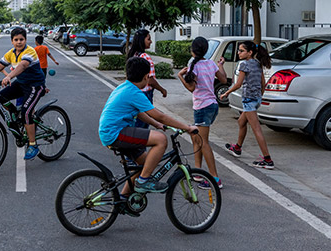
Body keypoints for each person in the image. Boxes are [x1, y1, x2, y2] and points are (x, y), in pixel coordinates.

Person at [100, 56, 200, 195]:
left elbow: (140, 113)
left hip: (112, 132)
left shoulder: (125, 87)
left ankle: (123, 199)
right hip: (116, 133)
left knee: (145, 164)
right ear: (147, 76)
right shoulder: (134, 92)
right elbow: (160, 115)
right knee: (161, 140)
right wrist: (187, 127)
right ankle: (143, 181)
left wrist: (157, 124)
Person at [0, 27, 47, 160]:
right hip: (21, 83)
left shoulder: (29, 52)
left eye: (21, 39)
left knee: (26, 112)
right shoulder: (11, 53)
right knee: (1, 97)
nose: (19, 42)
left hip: (34, 86)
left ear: (25, 40)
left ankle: (33, 145)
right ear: (12, 41)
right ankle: (17, 115)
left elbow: (23, 66)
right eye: (16, 40)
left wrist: (9, 77)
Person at [177, 37, 224, 188]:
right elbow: (223, 79)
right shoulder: (210, 63)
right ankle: (197, 172)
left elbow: (191, 88)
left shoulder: (193, 63)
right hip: (211, 105)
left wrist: (180, 77)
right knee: (196, 137)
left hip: (203, 107)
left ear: (192, 50)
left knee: (202, 142)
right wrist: (220, 65)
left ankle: (215, 179)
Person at [219, 40, 274, 169]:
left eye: (241, 51)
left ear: (250, 53)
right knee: (241, 122)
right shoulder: (257, 63)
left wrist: (226, 93)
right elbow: (263, 83)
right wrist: (259, 96)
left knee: (256, 129)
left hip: (249, 101)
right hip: (256, 100)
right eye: (239, 50)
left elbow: (238, 84)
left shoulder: (244, 65)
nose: (238, 53)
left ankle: (267, 160)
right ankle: (237, 148)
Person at [125, 29, 167, 128]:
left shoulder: (133, 55)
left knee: (136, 123)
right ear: (142, 40)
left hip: (134, 92)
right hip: (145, 94)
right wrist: (162, 90)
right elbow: (151, 80)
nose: (151, 41)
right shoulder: (145, 57)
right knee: (143, 125)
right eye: (149, 39)